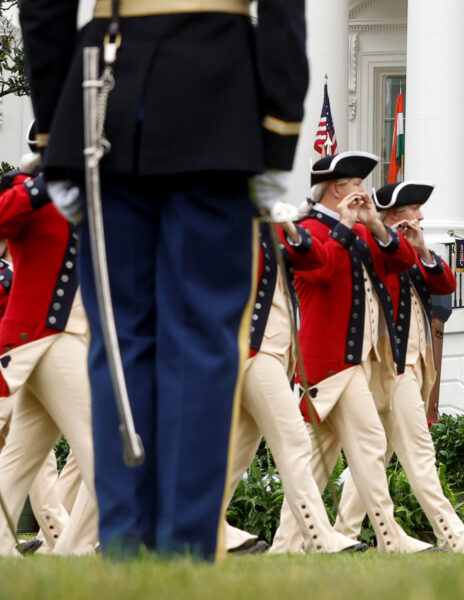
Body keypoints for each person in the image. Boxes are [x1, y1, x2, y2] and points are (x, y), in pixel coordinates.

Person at [19, 1, 309, 560]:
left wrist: (59, 132)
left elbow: (44, 7)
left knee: (120, 342)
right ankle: (185, 550)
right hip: (218, 96)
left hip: (105, 89)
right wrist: (278, 132)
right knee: (203, 341)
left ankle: (126, 545)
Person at [270, 151, 434, 554]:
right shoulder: (306, 228)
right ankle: (314, 542)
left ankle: (297, 544)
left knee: (344, 452)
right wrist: (346, 223)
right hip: (324, 361)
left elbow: (400, 261)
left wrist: (377, 224)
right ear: (338, 188)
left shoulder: (361, 230)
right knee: (335, 454)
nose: (364, 191)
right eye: (358, 183)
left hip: (351, 360)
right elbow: (321, 270)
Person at [335, 181, 464, 553]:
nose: (422, 216)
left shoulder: (408, 247)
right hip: (389, 364)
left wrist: (422, 246)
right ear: (395, 213)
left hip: (412, 363)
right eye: (414, 209)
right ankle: (453, 536)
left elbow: (444, 283)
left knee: (373, 455)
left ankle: (345, 535)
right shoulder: (371, 242)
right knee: (420, 453)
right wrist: (387, 235)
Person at [222, 219, 366, 555]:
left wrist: (291, 228)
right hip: (254, 350)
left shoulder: (273, 224)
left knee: (236, 454)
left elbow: (316, 261)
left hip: (272, 352)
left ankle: (195, 525)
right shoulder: (229, 219)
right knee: (295, 442)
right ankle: (320, 537)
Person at [0, 165, 96, 558]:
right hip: (46, 335)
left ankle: (71, 547)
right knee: (103, 444)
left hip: (68, 338)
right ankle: (83, 546)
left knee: (20, 460)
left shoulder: (84, 192)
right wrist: (39, 177)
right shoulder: (28, 189)